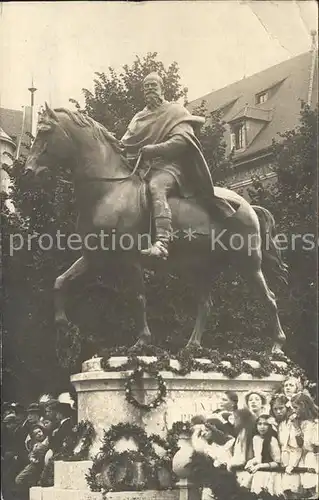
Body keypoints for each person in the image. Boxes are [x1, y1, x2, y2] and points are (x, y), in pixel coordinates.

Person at [121, 72, 237, 259]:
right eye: (146, 87)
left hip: (171, 168)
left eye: (153, 86)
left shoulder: (175, 112)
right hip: (144, 170)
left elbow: (182, 141)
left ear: (162, 89)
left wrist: (154, 149)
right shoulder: (138, 118)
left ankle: (162, 242)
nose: (149, 90)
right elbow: (123, 144)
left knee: (156, 187)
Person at [245, 414, 282, 496]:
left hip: (271, 473)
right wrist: (251, 462)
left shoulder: (272, 440)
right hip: (260, 472)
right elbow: (258, 457)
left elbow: (277, 463)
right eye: (260, 424)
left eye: (265, 424)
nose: (262, 427)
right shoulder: (256, 438)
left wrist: (260, 466)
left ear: (270, 426)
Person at [290, 392, 319, 499]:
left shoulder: (315, 423)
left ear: (303, 406)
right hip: (307, 456)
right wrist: (296, 427)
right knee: (308, 485)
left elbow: (316, 447)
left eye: (295, 407)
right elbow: (301, 444)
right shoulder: (301, 422)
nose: (294, 410)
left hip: (315, 457)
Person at [15, 424, 49, 492]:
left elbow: (40, 449)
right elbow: (31, 455)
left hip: (42, 466)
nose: (39, 434)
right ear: (34, 437)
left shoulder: (46, 441)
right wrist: (32, 458)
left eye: (39, 431)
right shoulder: (35, 444)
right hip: (35, 465)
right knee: (19, 480)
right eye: (36, 434)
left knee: (19, 480)